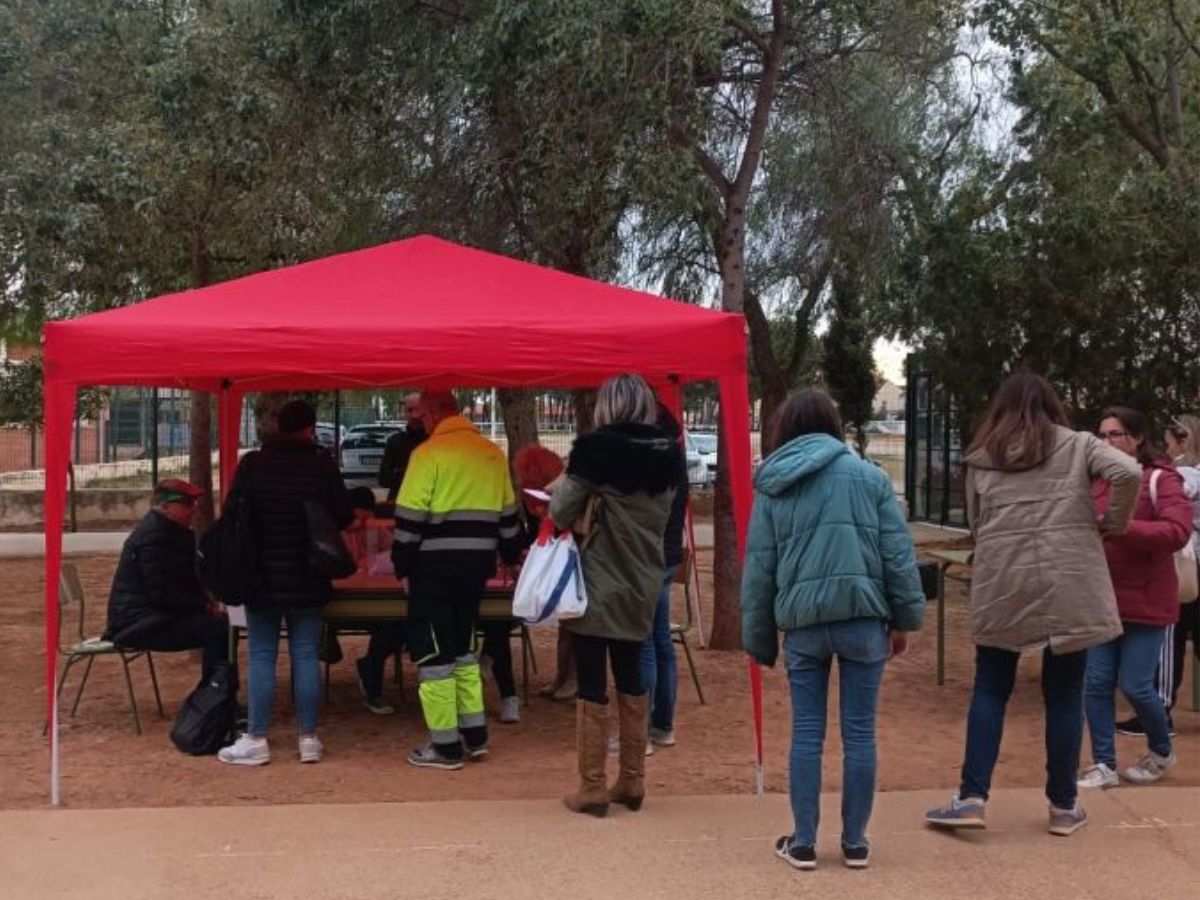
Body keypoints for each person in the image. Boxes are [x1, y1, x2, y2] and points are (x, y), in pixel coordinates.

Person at [924, 373, 1141, 837]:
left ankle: (971, 797)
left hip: (1005, 578)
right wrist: (1112, 522)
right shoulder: (1079, 445)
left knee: (989, 687)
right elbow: (1128, 471)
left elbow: (978, 522)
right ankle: (1063, 806)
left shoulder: (981, 459)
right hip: (1070, 579)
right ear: (1051, 405)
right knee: (1064, 694)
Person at [742, 390, 924, 871]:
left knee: (807, 732)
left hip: (802, 625)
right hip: (864, 618)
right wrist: (904, 621)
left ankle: (803, 841)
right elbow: (897, 557)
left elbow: (760, 568)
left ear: (784, 428)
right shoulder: (870, 478)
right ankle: (855, 841)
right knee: (860, 733)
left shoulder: (773, 486)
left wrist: (759, 639)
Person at [548, 373, 681, 817]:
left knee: (591, 682)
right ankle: (632, 780)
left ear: (607, 405)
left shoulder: (595, 451)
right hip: (643, 581)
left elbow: (561, 509)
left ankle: (592, 786)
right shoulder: (669, 455)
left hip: (596, 581)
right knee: (631, 677)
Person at [392, 389, 524, 770]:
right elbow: (508, 516)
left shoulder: (427, 454)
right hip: (476, 569)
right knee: (465, 650)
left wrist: (403, 567)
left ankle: (445, 746)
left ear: (434, 414)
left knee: (434, 655)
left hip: (431, 570)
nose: (420, 421)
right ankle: (475, 734)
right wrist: (512, 557)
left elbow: (409, 520)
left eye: (423, 415)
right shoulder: (491, 453)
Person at [218, 399, 353, 767]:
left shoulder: (253, 464)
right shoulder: (321, 464)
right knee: (306, 654)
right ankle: (308, 738)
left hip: (259, 576)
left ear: (277, 425)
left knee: (262, 655)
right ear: (310, 428)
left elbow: (231, 515)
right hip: (309, 574)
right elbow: (343, 514)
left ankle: (257, 737)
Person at [1077, 407, 1191, 789]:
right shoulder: (1096, 482)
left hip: (1147, 602)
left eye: (1117, 435)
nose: (1108, 442)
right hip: (1102, 599)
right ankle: (1104, 764)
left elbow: (1177, 531)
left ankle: (1161, 749)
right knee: (1095, 682)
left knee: (1137, 685)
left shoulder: (1160, 479)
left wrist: (1122, 528)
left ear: (1137, 438)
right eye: (1102, 436)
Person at [1118, 414, 1200, 736]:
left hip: (1185, 565)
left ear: (1183, 440)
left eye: (1168, 443)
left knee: (1170, 638)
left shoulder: (1181, 476)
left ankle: (1160, 712)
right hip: (1191, 562)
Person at [105, 479, 228, 680]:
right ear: (165, 506)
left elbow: (184, 581)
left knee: (219, 626)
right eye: (187, 505)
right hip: (136, 623)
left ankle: (216, 693)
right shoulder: (155, 537)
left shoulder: (169, 532)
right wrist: (203, 607)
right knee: (218, 631)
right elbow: (163, 594)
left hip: (149, 616)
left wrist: (207, 602)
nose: (193, 511)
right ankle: (214, 696)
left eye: (194, 505)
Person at [480, 444, 566, 724]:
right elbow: (522, 537)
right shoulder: (529, 500)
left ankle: (504, 689)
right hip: (526, 578)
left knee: (498, 621)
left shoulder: (551, 499)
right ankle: (505, 690)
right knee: (498, 622)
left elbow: (537, 539)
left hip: (549, 580)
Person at [638, 402, 689, 755]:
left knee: (644, 644)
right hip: (668, 557)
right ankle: (662, 726)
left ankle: (640, 732)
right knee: (660, 643)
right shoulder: (675, 457)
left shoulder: (652, 460)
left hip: (648, 558)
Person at [344, 486, 404, 715]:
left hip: (376, 595)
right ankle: (371, 675)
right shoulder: (337, 530)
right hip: (344, 599)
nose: (362, 525)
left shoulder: (374, 528)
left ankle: (371, 675)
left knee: (393, 621)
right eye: (359, 519)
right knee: (388, 622)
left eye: (367, 519)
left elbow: (392, 551)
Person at [379, 392, 428, 506]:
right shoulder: (394, 441)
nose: (414, 415)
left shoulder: (436, 440)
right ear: (404, 413)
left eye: (418, 409)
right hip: (399, 503)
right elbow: (383, 479)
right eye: (410, 410)